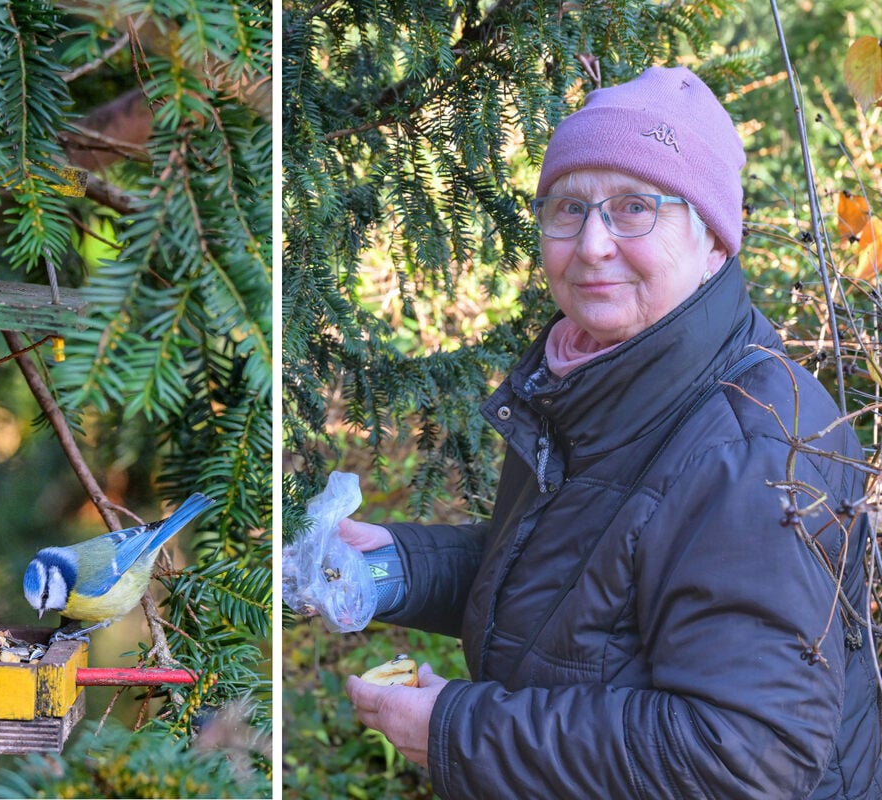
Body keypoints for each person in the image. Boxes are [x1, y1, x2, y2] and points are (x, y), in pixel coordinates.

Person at [340, 65, 882, 798]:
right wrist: (394, 568)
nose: (592, 244)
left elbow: (746, 756)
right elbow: (582, 574)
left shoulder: (749, 447)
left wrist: (458, 731)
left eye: (634, 207)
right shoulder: (592, 376)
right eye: (569, 207)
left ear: (714, 241)